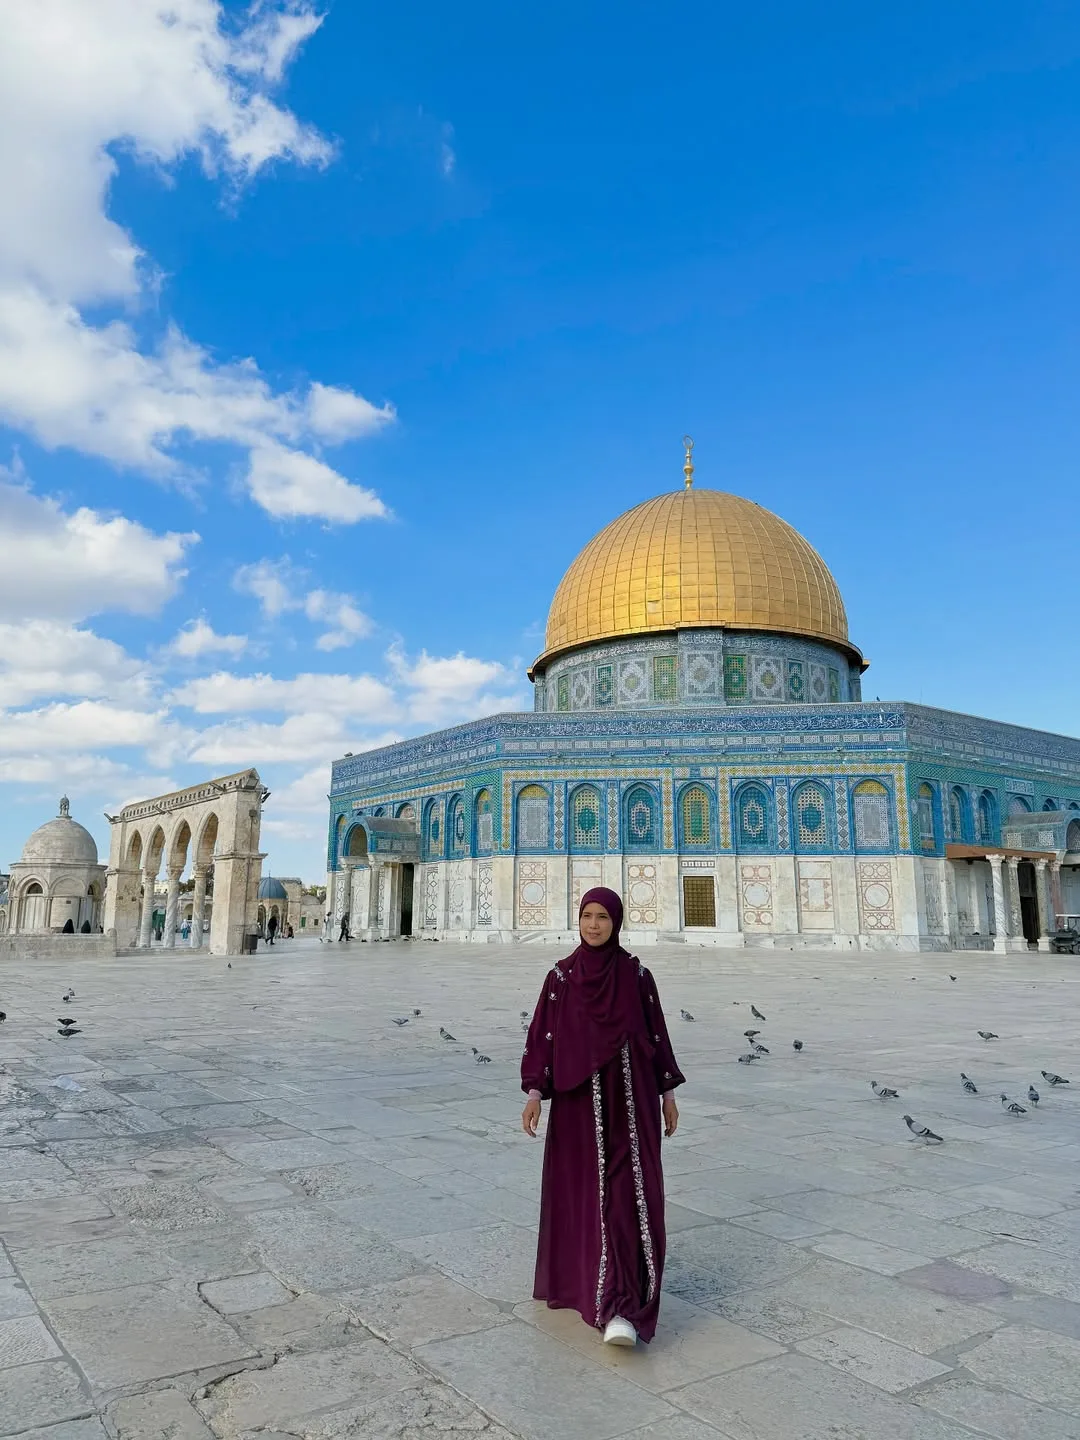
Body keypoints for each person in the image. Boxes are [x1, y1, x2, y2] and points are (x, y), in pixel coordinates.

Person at [521, 887, 684, 1348]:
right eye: (587, 916)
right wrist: (535, 1091)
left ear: (617, 922)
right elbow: (543, 1039)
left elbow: (656, 1034)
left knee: (625, 1198)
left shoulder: (635, 976)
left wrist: (667, 1092)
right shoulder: (561, 978)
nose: (594, 925)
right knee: (588, 1197)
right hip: (577, 1109)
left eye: (603, 918)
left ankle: (622, 1306)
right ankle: (588, 1287)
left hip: (631, 1108)